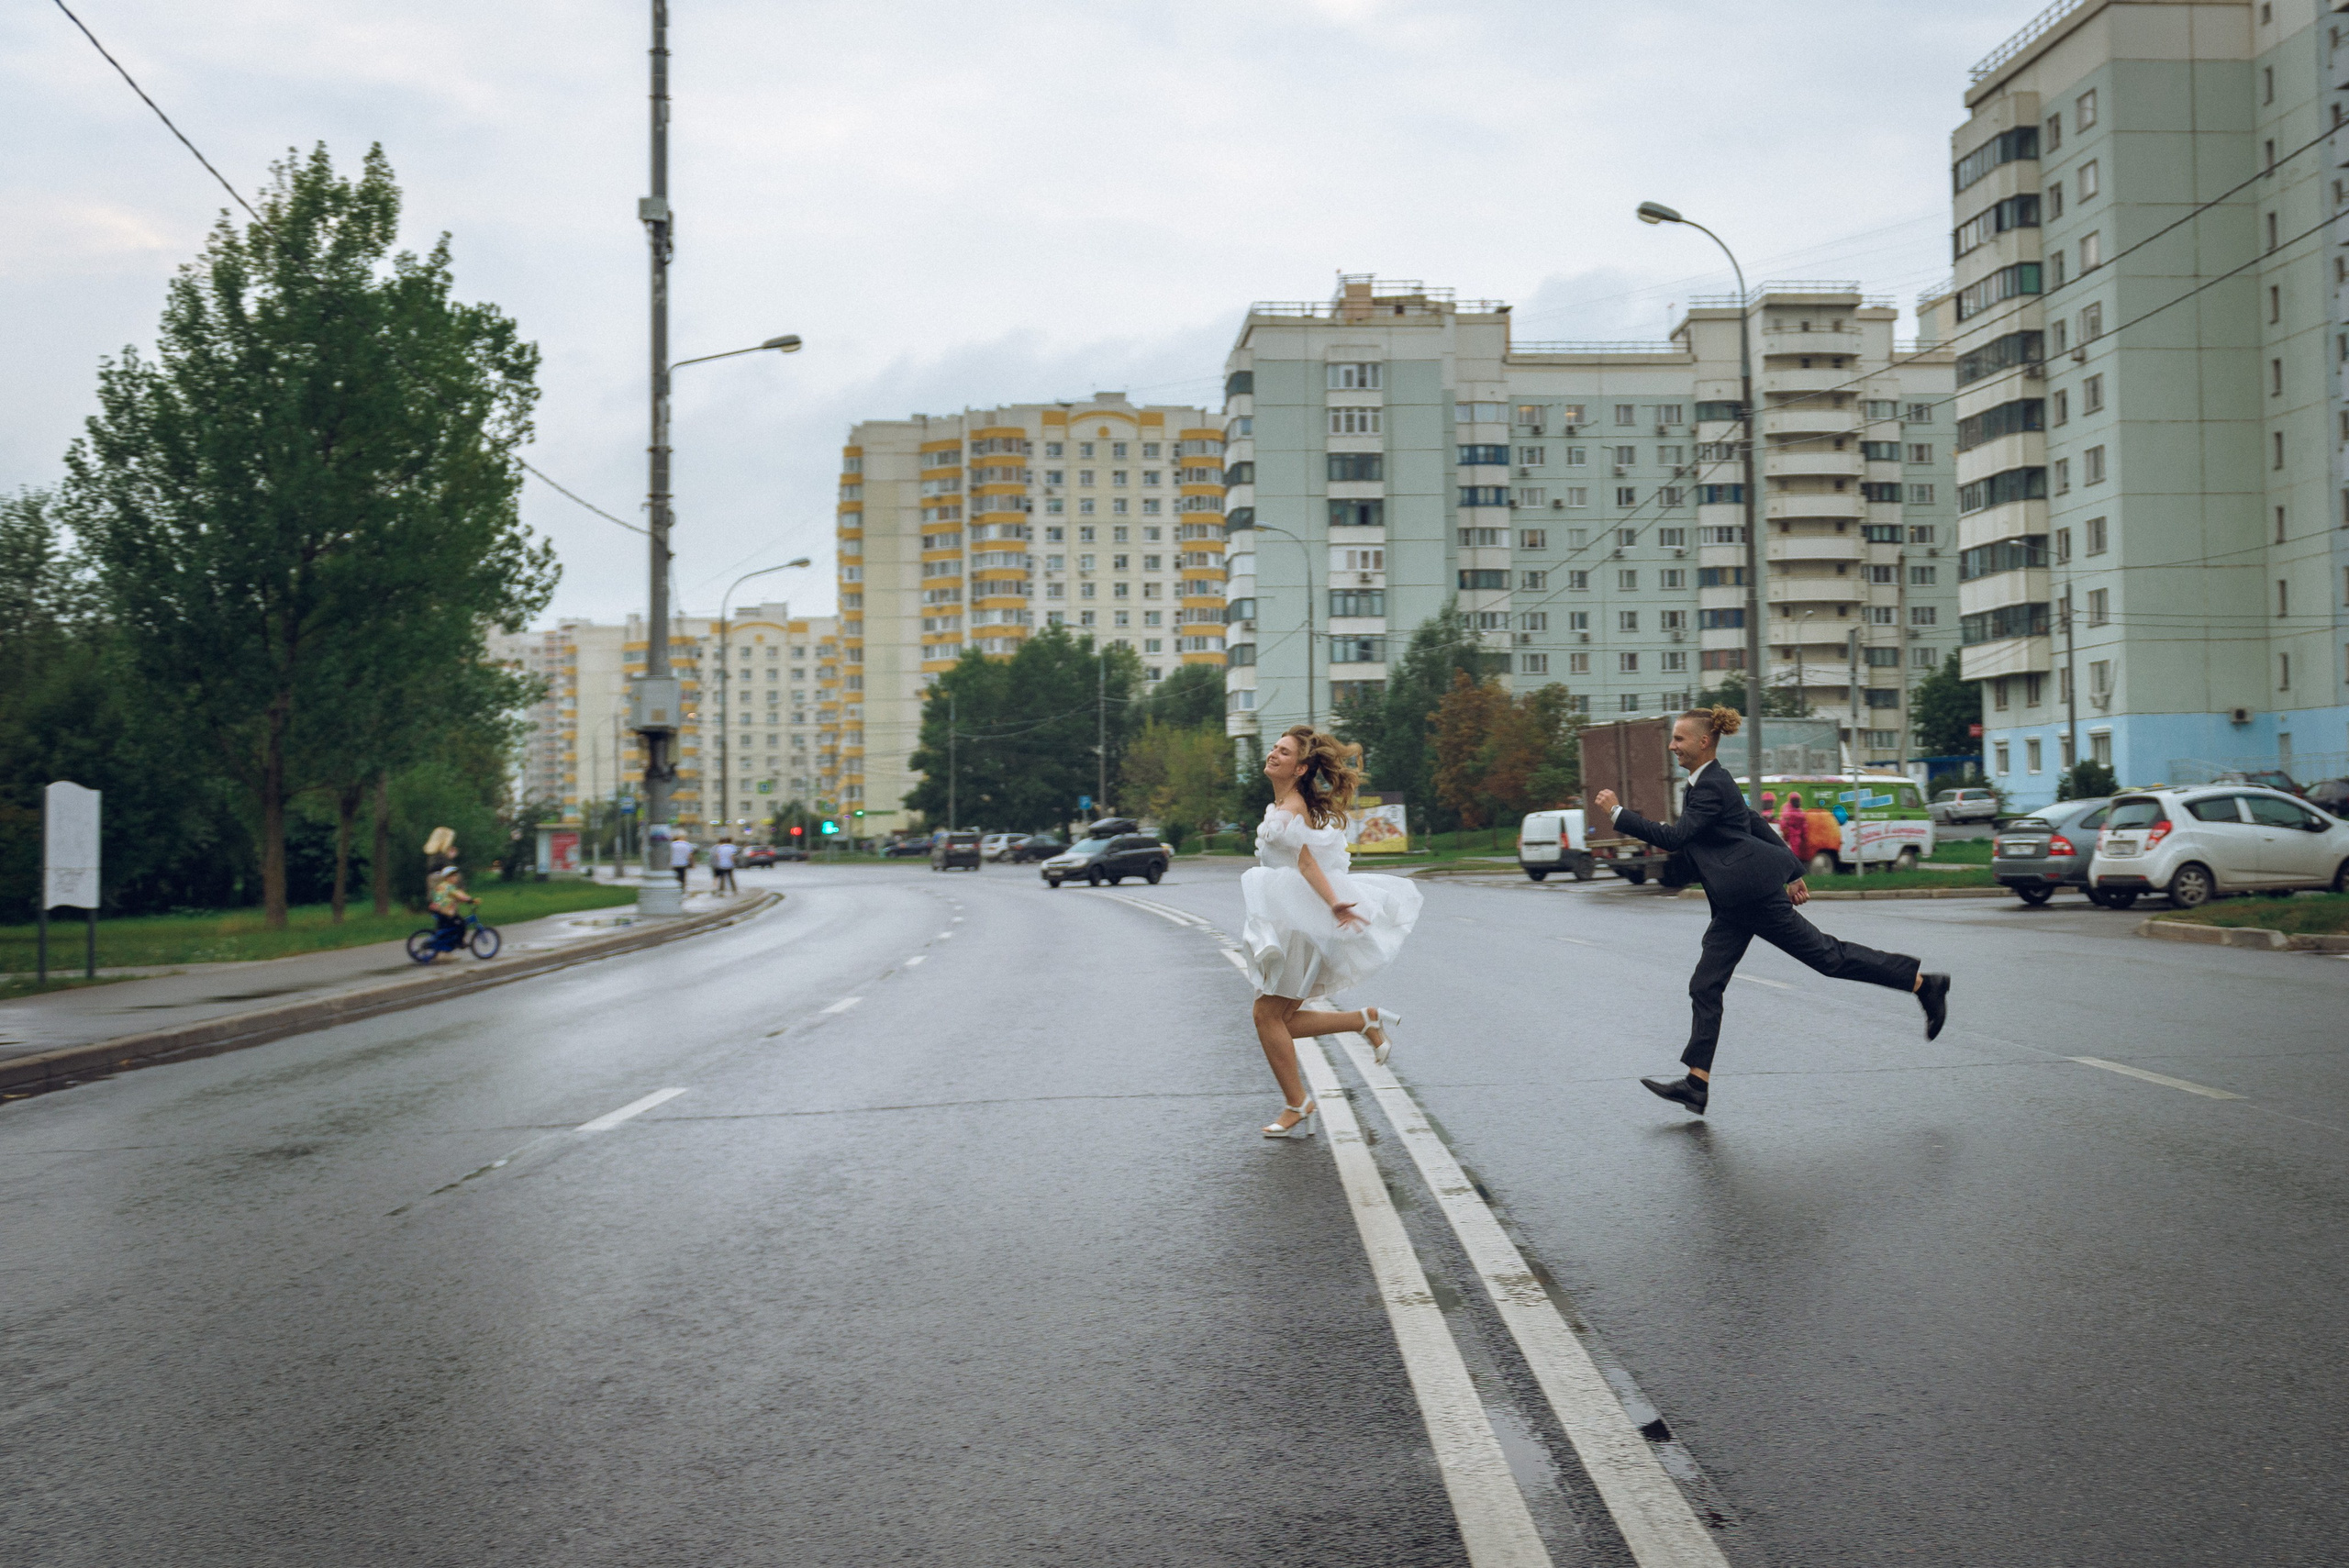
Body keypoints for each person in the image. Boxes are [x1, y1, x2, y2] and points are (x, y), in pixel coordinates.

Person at [1592, 706, 1950, 1116]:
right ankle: (1696, 1083)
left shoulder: (1710, 784)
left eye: (1679, 739)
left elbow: (1676, 837)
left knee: (1827, 958)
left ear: (1703, 742)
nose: (1672, 746)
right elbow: (1752, 822)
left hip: (1753, 898)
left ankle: (1924, 984)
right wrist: (1792, 869)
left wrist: (1618, 813)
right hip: (1732, 903)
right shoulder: (1707, 783)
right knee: (1705, 986)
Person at [1243, 725, 1424, 1139]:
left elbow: (1307, 864)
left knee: (1265, 1015)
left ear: (1301, 767)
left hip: (1296, 926)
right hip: (1291, 922)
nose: (1273, 754)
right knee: (1280, 1019)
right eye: (1274, 748)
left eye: (1283, 752)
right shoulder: (1286, 803)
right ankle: (1365, 1019)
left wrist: (1332, 903)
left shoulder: (1292, 808)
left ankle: (1297, 1103)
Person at [427, 864, 478, 945]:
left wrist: (463, 899)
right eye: (453, 876)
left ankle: (449, 941)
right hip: (445, 911)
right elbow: (459, 895)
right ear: (447, 878)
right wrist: (470, 900)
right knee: (461, 924)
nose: (456, 878)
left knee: (450, 927)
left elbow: (455, 897)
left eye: (456, 876)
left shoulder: (443, 886)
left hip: (438, 910)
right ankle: (459, 941)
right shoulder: (449, 887)